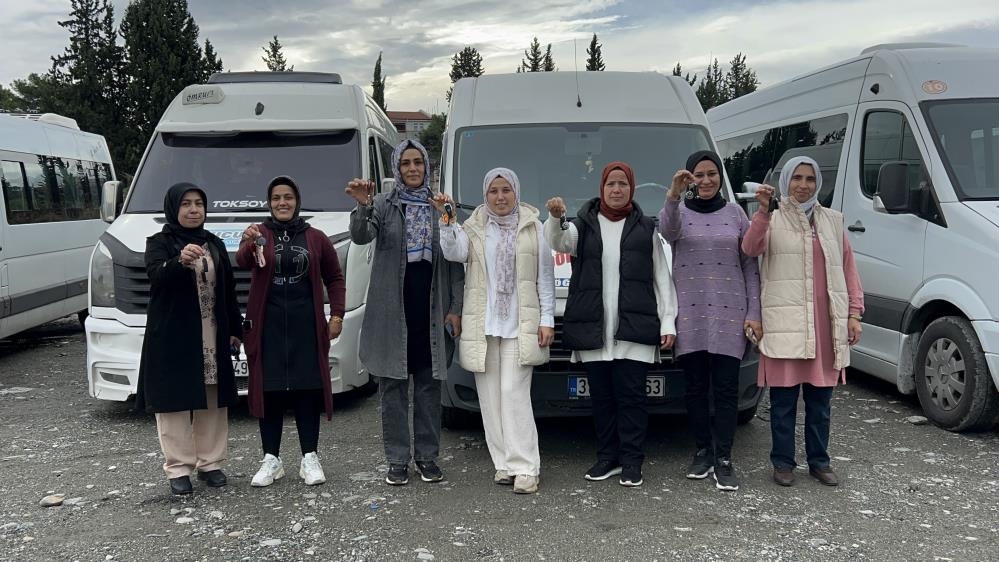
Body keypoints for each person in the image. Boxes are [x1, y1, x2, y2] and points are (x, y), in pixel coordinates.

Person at [545, 162, 677, 488]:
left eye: (622, 184)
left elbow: (662, 278)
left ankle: (632, 460)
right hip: (595, 331)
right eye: (611, 184)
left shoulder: (647, 228)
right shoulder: (583, 226)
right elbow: (558, 242)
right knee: (602, 400)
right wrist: (555, 217)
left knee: (632, 399)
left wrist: (668, 322)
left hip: (634, 331)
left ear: (631, 188)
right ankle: (608, 458)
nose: (616, 190)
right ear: (602, 188)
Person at [346, 139, 464, 486]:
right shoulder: (383, 204)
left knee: (428, 387)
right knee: (393, 389)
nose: (413, 169)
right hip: (392, 311)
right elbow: (361, 236)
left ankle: (427, 457)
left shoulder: (441, 207)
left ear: (428, 167)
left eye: (418, 163)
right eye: (405, 164)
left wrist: (456, 308)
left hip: (430, 309)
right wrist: (363, 207)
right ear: (397, 169)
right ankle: (397, 460)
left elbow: (455, 260)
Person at [741, 156, 864, 488]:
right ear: (785, 182)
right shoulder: (771, 219)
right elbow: (750, 249)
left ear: (818, 183)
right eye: (796, 178)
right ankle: (782, 462)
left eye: (810, 178)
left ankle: (819, 462)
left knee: (820, 404)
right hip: (785, 322)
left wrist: (854, 313)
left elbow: (849, 271)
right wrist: (763, 213)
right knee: (782, 404)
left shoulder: (833, 222)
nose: (803, 185)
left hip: (824, 326)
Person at [435, 167, 555, 494]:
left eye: (506, 191)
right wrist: (447, 219)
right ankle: (503, 464)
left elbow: (543, 278)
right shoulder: (474, 227)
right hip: (484, 325)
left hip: (521, 325)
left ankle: (526, 466)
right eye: (493, 191)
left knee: (513, 394)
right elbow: (453, 251)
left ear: (516, 192)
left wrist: (547, 321)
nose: (500, 197)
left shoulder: (535, 227)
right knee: (490, 399)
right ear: (485, 195)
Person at [659, 150, 761, 492]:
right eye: (698, 175)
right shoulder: (679, 212)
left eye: (711, 174)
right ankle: (702, 451)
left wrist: (754, 313)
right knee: (696, 390)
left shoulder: (736, 214)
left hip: (730, 315)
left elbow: (750, 266)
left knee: (727, 390)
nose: (705, 180)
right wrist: (674, 194)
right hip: (690, 314)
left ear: (720, 177)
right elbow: (666, 230)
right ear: (689, 179)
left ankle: (726, 457)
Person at [236, 176, 346, 487]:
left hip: (306, 326)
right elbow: (243, 261)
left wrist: (336, 315)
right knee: (268, 392)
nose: (282, 202)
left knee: (306, 391)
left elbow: (335, 278)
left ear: (297, 200)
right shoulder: (259, 234)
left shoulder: (316, 237)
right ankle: (271, 459)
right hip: (267, 326)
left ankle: (309, 457)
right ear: (268, 203)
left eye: (288, 197)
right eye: (276, 198)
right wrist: (247, 242)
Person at [136, 183, 243, 495]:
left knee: (213, 399)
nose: (194, 210)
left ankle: (210, 463)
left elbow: (228, 290)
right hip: (174, 334)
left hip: (212, 331)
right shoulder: (159, 242)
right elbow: (156, 276)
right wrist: (178, 261)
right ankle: (179, 467)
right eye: (186, 204)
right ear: (174, 209)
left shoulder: (215, 243)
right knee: (174, 402)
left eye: (199, 203)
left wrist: (235, 329)